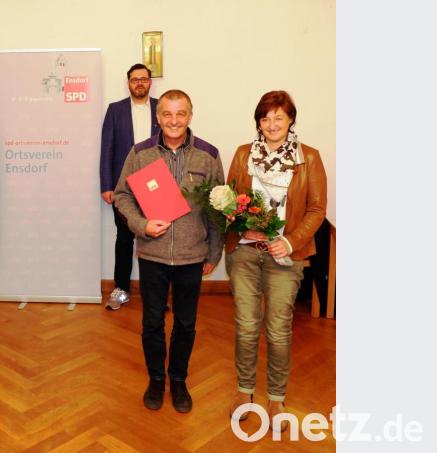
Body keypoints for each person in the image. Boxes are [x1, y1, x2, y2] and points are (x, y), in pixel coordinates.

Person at [114, 89, 224, 412]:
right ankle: (155, 379)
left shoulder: (209, 154)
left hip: (193, 255)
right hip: (153, 254)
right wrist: (140, 224)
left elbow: (220, 206)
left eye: (181, 114)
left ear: (190, 115)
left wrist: (214, 253)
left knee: (187, 323)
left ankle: (178, 379)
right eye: (167, 114)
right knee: (151, 322)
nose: (174, 121)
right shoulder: (140, 153)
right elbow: (122, 196)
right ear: (158, 117)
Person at [225, 90, 326, 431]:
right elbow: (229, 201)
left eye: (278, 117)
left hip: (286, 256)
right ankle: (244, 391)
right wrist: (240, 225)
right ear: (258, 122)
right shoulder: (243, 155)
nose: (271, 124)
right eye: (265, 118)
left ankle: (277, 396)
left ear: (290, 120)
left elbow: (316, 209)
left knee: (279, 329)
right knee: (246, 325)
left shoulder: (308, 158)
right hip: (245, 254)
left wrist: (289, 241)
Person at [100, 64, 161, 311]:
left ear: (150, 83)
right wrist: (107, 184)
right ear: (128, 83)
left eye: (143, 79)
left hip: (156, 184)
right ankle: (121, 289)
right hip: (123, 186)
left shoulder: (161, 108)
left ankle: (154, 294)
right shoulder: (115, 110)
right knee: (124, 239)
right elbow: (107, 149)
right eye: (134, 79)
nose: (139, 83)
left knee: (155, 239)